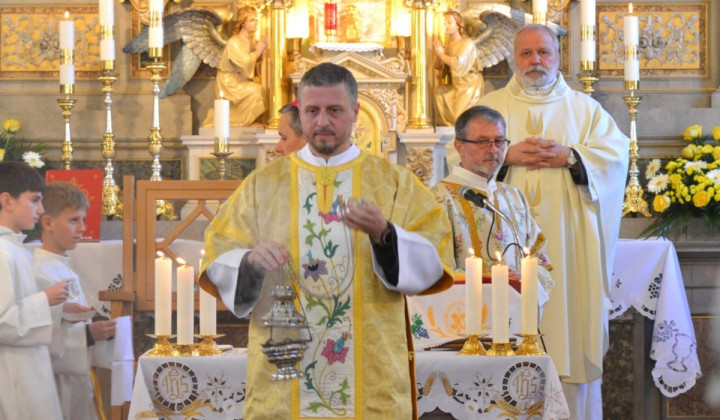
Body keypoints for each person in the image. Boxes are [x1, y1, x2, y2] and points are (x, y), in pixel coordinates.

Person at [199, 62, 454, 419]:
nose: (322, 122)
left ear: (355, 113)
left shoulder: (393, 182)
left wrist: (386, 234)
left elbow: (435, 256)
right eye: (312, 111)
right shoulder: (262, 184)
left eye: (334, 111)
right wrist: (250, 261)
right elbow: (219, 250)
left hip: (372, 371)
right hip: (283, 372)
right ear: (300, 113)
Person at [475, 24, 630, 419]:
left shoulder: (585, 109)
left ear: (558, 57)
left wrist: (571, 157)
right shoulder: (490, 108)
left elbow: (615, 158)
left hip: (568, 246)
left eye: (543, 52)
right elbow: (458, 162)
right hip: (503, 243)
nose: (535, 61)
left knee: (565, 333)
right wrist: (506, 157)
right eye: (526, 54)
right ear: (514, 59)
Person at [33, 181, 117, 420]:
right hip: (55, 384)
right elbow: (39, 334)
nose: (82, 228)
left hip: (77, 378)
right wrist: (89, 334)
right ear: (48, 222)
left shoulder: (60, 266)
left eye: (83, 219)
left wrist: (99, 333)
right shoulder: (40, 272)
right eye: (73, 220)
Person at [0, 161, 67, 420]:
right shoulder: (3, 253)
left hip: (27, 366)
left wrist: (57, 309)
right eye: (34, 200)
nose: (41, 210)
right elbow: (4, 321)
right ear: (7, 201)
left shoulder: (14, 248)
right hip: (11, 373)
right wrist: (44, 299)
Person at [202, 5, 267, 127]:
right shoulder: (235, 42)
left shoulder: (249, 41)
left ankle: (248, 121)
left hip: (239, 80)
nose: (256, 23)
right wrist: (258, 52)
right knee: (256, 91)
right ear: (243, 23)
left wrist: (260, 53)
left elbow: (252, 63)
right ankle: (242, 121)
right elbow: (245, 63)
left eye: (256, 19)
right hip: (229, 83)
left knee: (259, 90)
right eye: (251, 20)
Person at [433, 10, 484, 126]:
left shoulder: (467, 43)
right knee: (438, 91)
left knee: (460, 119)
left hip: (469, 84)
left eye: (449, 23)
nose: (446, 26)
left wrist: (441, 54)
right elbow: (438, 68)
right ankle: (446, 125)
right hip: (455, 85)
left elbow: (458, 63)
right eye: (444, 23)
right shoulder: (447, 44)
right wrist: (438, 54)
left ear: (458, 25)